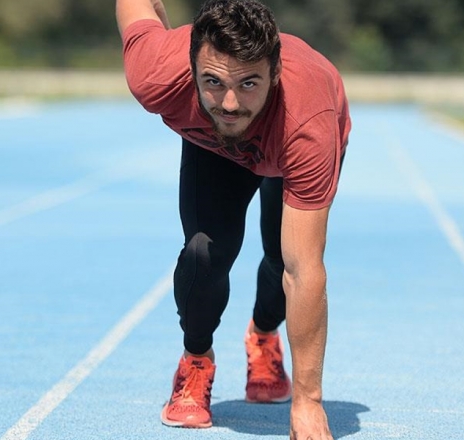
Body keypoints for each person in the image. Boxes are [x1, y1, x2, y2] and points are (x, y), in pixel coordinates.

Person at [116, 0, 351, 438]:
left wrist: (307, 402)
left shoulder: (307, 124)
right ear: (190, 68)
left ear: (274, 73)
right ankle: (196, 360)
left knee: (286, 261)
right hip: (213, 148)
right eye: (213, 82)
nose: (229, 103)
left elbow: (305, 273)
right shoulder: (156, 73)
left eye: (248, 84)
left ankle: (263, 335)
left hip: (286, 144)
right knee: (205, 253)